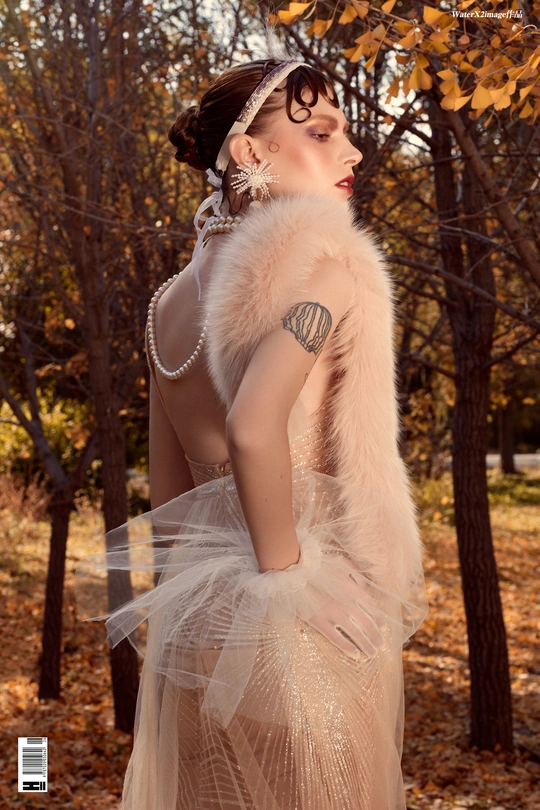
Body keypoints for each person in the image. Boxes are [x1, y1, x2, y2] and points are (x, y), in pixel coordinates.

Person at [75, 57, 428, 810]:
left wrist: (192, 626)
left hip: (202, 628)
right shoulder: (326, 273)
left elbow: (169, 499)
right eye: (322, 133)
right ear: (248, 151)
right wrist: (293, 582)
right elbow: (252, 427)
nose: (352, 151)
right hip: (298, 616)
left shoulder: (167, 304)